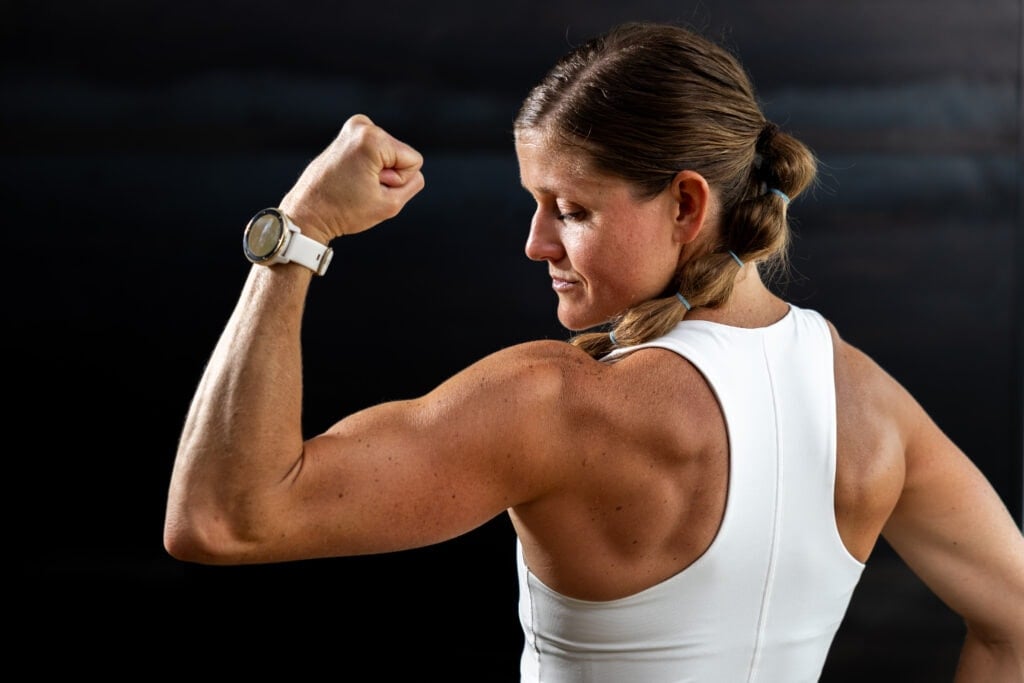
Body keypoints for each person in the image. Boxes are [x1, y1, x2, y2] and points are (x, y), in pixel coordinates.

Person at [163, 20, 1024, 682]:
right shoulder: (871, 405)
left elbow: (223, 518)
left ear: (687, 206)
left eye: (570, 209)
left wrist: (301, 232)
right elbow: (1014, 618)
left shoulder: (557, 403)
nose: (537, 243)